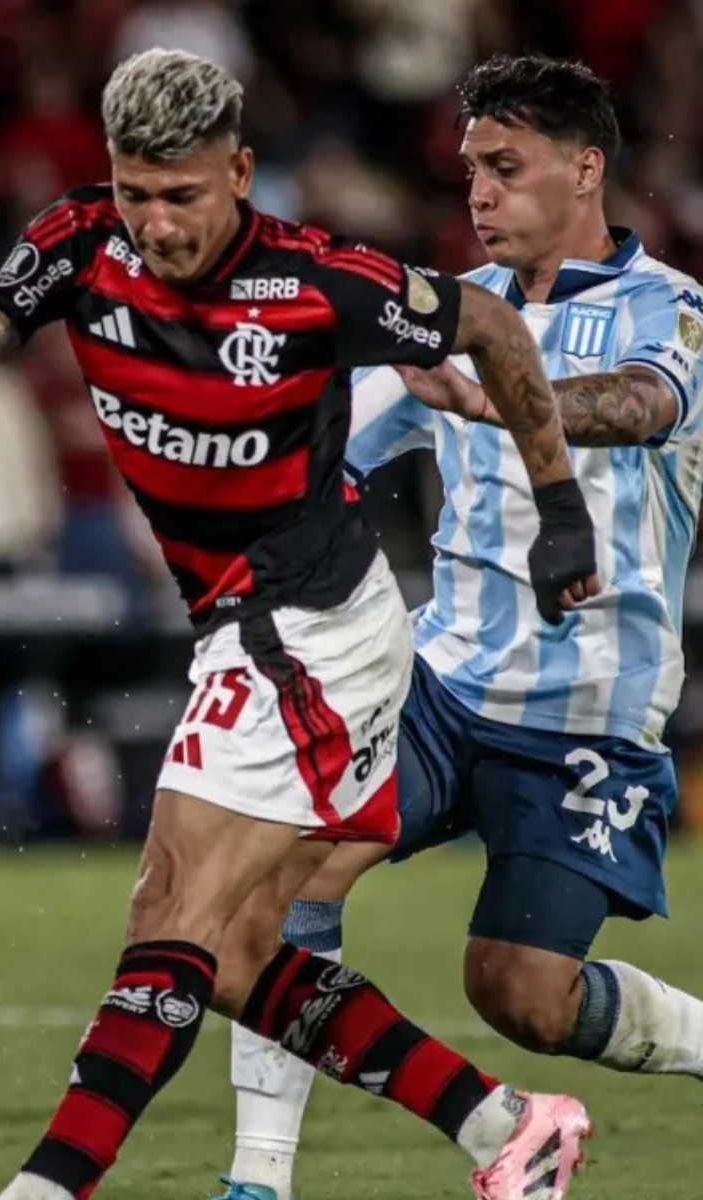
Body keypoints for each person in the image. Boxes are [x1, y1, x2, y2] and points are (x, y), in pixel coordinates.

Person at [0, 48, 600, 1200]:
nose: (153, 223)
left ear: (241, 172)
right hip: (238, 629)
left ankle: (44, 1189)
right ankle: (504, 1125)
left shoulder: (316, 279)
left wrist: (560, 514)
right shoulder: (74, 243)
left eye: (181, 196)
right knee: (242, 955)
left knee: (171, 911)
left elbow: (494, 333)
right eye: (134, 192)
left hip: (312, 631)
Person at [220, 54, 703, 1200]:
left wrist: (503, 396)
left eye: (506, 166)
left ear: (585, 171)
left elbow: (643, 404)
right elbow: (331, 453)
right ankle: (255, 1180)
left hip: (587, 718)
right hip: (438, 689)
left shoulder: (671, 309)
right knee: (273, 883)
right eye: (469, 168)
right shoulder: (445, 314)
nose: (479, 192)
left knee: (521, 995)